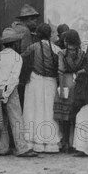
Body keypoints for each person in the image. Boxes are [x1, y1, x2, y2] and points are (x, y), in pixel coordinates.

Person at [0, 28, 38, 157]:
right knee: (16, 119)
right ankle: (21, 147)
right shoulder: (16, 57)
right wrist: (6, 93)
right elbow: (14, 78)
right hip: (9, 90)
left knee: (2, 120)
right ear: (15, 43)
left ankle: (2, 148)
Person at [22, 23, 62, 153]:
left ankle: (32, 143)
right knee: (49, 110)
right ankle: (51, 144)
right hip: (50, 82)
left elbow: (23, 60)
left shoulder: (32, 47)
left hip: (35, 81)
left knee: (33, 110)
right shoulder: (56, 49)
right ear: (50, 34)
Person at [54, 30, 85, 153]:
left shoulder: (63, 53)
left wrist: (61, 88)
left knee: (64, 116)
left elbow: (60, 71)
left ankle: (66, 143)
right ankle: (75, 143)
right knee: (75, 115)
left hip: (66, 82)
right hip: (77, 83)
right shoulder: (82, 53)